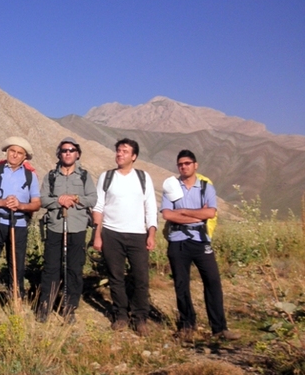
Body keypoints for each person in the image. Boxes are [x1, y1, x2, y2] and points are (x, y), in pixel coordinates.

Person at [161, 150, 240, 341]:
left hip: (201, 240)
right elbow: (167, 215)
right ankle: (187, 325)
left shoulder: (206, 187)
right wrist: (197, 214)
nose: (184, 166)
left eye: (187, 163)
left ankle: (220, 328)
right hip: (178, 240)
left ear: (195, 165)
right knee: (181, 284)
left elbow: (211, 213)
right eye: (180, 164)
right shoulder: (171, 187)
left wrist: (183, 212)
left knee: (212, 282)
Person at [93, 138, 157, 335]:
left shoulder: (143, 177)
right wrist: (97, 235)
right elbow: (98, 206)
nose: (119, 154)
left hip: (138, 234)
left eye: (125, 151)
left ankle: (140, 318)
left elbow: (151, 207)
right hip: (112, 233)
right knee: (116, 276)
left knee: (141, 277)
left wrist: (151, 233)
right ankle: (120, 314)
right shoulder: (107, 177)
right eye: (118, 151)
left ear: (134, 156)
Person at [0, 137, 41, 316]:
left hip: (18, 224)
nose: (15, 155)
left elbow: (36, 203)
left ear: (24, 157)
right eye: (12, 151)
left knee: (17, 264)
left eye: (19, 153)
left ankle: (16, 298)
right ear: (7, 151)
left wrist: (20, 206)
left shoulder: (30, 176)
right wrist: (2, 202)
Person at [36, 137, 97, 323]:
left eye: (71, 150)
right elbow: (43, 199)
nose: (68, 153)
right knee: (51, 268)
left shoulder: (85, 176)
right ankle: (45, 305)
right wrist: (59, 201)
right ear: (59, 154)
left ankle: (69, 307)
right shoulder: (51, 176)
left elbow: (92, 199)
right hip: (55, 227)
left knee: (74, 269)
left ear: (77, 154)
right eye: (64, 150)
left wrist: (76, 198)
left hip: (77, 227)